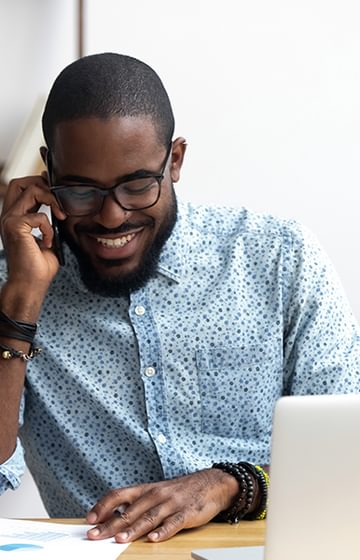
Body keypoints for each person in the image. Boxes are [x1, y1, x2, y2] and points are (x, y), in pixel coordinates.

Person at [0, 53, 359, 544]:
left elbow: (349, 459)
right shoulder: (17, 285)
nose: (111, 217)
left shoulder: (279, 260)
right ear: (48, 172)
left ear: (175, 161)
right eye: (81, 190)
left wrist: (231, 485)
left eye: (137, 186)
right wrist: (19, 302)